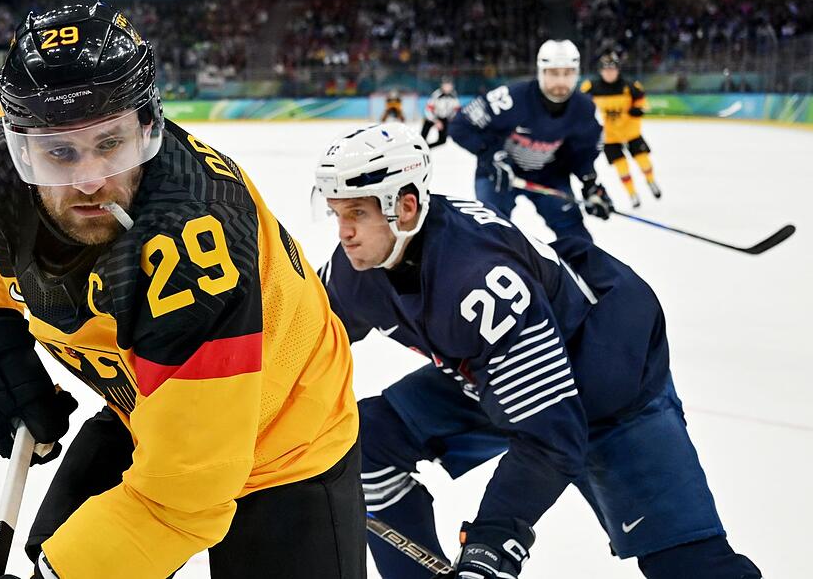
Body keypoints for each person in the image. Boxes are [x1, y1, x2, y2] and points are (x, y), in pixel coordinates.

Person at [0, 1, 363, 579]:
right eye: (60, 151)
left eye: (109, 143)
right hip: (156, 407)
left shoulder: (191, 247)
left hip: (288, 436)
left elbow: (182, 501)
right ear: (19, 149)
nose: (90, 181)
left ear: (145, 127)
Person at [313, 122, 761, 578]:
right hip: (495, 371)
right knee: (366, 444)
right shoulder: (359, 265)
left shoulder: (478, 282)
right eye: (337, 214)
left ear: (405, 208)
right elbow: (304, 336)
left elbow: (551, 435)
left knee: (686, 563)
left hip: (607, 387)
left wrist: (492, 542)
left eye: (357, 213)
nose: (344, 233)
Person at [449, 40, 612, 241]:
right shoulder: (511, 97)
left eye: (568, 73)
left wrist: (590, 185)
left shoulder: (584, 108)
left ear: (577, 73)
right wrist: (490, 154)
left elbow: (582, 152)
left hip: (548, 175)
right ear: (541, 72)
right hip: (500, 173)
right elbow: (460, 124)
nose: (561, 81)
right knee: (490, 235)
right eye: (553, 73)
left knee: (576, 235)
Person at [581, 53, 661, 208]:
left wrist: (638, 109)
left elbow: (642, 102)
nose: (609, 73)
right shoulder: (591, 87)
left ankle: (651, 181)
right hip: (609, 136)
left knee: (643, 161)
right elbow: (581, 104)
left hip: (631, 132)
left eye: (612, 69)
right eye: (606, 70)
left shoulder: (630, 86)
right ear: (600, 71)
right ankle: (632, 194)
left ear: (618, 70)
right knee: (621, 166)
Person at [420, 77, 460, 148]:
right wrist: (435, 121)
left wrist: (451, 119)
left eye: (449, 85)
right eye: (446, 85)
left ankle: (427, 148)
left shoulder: (454, 95)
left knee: (442, 140)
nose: (448, 87)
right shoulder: (436, 94)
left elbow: (456, 110)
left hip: (445, 119)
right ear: (442, 85)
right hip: (432, 117)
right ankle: (418, 148)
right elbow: (428, 110)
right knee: (422, 138)